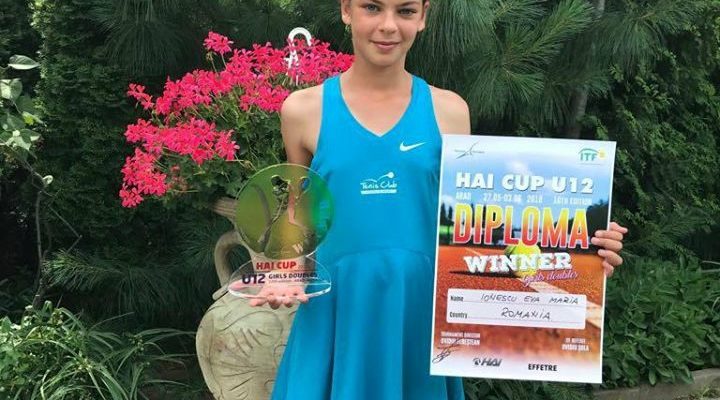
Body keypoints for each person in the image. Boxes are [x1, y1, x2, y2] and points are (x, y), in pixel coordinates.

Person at [250, 1, 628, 399]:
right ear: (346, 10)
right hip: (338, 316)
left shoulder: (449, 112)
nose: (388, 25)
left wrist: (578, 258)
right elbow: (301, 219)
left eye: (405, 11)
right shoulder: (303, 111)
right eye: (372, 8)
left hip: (419, 315)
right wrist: (285, 273)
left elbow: (477, 230)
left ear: (424, 17)